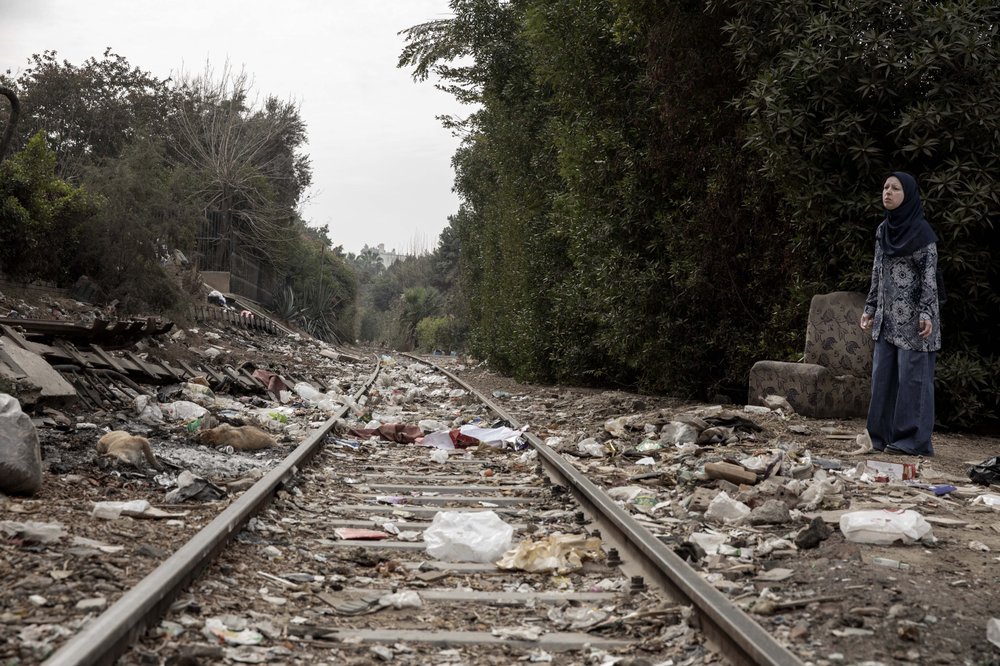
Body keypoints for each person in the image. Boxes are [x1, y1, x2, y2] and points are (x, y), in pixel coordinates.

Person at [859, 171, 940, 456]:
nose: (888, 192)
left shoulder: (922, 232)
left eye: (895, 188)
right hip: (887, 317)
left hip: (917, 321)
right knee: (883, 378)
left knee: (913, 380)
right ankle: (879, 437)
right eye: (885, 187)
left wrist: (927, 313)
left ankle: (911, 441)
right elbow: (877, 272)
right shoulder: (883, 230)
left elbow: (929, 276)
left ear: (908, 195)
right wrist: (870, 308)